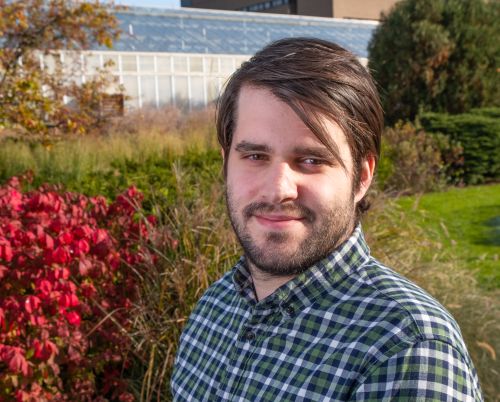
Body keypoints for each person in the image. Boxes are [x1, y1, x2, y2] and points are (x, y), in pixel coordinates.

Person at [171, 38, 483, 401]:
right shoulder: (216, 305)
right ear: (226, 162)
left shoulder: (407, 351)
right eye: (255, 156)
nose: (277, 190)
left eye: (311, 160)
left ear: (362, 176)